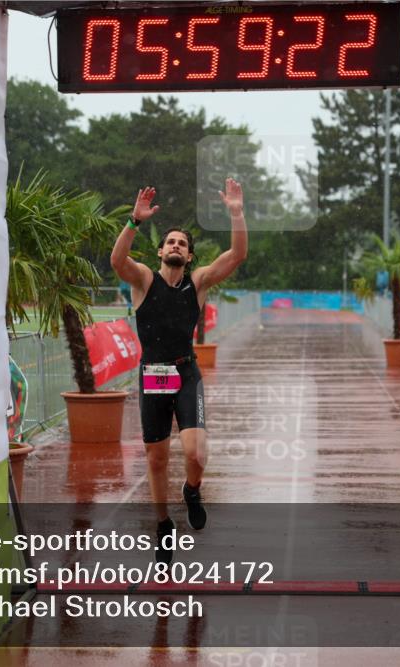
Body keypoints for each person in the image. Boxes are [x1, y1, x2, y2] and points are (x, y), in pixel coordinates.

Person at [110, 179, 247, 563]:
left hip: (185, 372)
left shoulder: (197, 283)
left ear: (188, 257)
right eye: (170, 241)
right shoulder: (143, 280)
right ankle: (163, 524)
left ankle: (191, 489)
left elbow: (236, 255)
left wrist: (236, 213)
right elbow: (117, 262)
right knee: (155, 459)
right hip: (153, 373)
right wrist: (133, 222)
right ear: (159, 251)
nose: (175, 246)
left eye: (182, 244)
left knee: (196, 451)